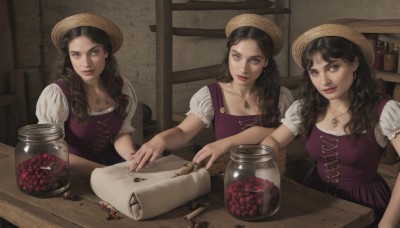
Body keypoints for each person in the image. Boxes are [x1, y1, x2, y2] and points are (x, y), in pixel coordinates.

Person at [260, 23, 400, 227]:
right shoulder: (306, 108)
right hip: (314, 202)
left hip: (367, 206)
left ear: (354, 63)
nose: (324, 80)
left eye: (333, 67)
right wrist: (260, 161)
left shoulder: (383, 110)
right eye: (314, 72)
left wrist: (387, 224)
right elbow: (273, 139)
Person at [130, 14, 294, 172]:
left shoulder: (280, 97)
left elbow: (283, 132)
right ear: (228, 53)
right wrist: (161, 139)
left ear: (266, 62)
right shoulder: (211, 95)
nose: (243, 68)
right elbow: (183, 132)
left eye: (254, 60)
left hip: (269, 177)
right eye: (236, 56)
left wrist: (226, 143)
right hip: (224, 176)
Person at [36, 13, 138, 175]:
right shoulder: (56, 95)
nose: (86, 63)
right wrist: (106, 172)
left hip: (110, 161)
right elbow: (53, 150)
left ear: (106, 52)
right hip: (72, 168)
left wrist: (132, 158)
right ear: (69, 58)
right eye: (76, 54)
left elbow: (121, 133)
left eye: (94, 52)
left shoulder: (122, 87)